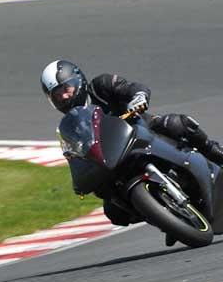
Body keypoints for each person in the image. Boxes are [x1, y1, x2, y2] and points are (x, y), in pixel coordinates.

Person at [40, 59, 223, 237]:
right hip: (112, 161)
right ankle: (167, 216)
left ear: (77, 80)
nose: (63, 96)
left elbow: (133, 88)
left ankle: (215, 151)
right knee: (114, 212)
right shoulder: (70, 126)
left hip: (140, 128)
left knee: (177, 124)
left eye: (65, 89)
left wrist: (138, 98)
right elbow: (73, 154)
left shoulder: (100, 86)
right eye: (56, 95)